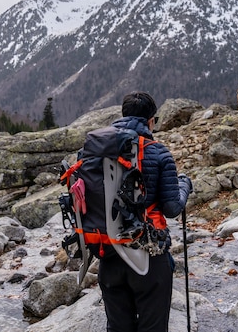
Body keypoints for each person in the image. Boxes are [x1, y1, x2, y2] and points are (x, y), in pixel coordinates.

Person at [98, 91, 192, 332]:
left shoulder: (98, 151)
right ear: (150, 121)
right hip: (149, 254)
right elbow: (172, 208)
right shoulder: (158, 153)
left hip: (109, 253)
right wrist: (184, 186)